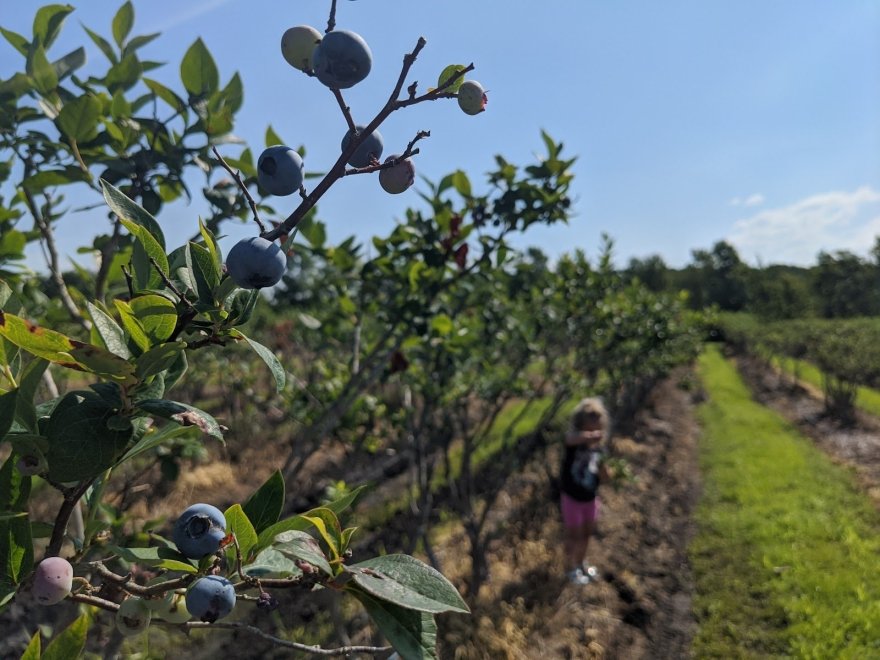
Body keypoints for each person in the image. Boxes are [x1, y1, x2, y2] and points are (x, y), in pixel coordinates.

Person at [559, 397, 611, 585]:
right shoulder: (574, 445)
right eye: (589, 429)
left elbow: (604, 476)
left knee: (587, 533)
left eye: (598, 429)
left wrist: (606, 471)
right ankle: (569, 569)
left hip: (590, 498)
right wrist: (589, 438)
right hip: (572, 499)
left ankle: (581, 563)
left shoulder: (600, 449)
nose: (594, 433)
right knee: (573, 535)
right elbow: (569, 438)